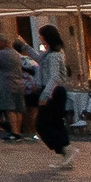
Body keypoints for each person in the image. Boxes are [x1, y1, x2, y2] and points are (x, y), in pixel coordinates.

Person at [31, 26, 75, 170]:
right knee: (56, 122)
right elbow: (38, 58)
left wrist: (45, 94)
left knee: (42, 124)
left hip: (53, 92)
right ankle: (65, 152)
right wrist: (24, 46)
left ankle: (63, 149)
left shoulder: (54, 55)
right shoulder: (51, 52)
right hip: (53, 90)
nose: (40, 39)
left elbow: (54, 76)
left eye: (42, 36)